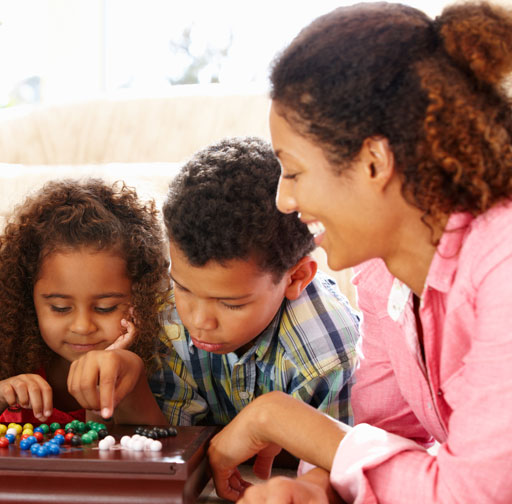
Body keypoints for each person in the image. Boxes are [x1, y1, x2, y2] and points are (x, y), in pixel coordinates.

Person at [207, 2, 512, 503]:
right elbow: (375, 434)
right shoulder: (387, 275)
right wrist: (312, 489)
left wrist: (278, 416)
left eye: (295, 171)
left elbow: (467, 496)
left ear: (374, 161)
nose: (284, 200)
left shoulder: (499, 269)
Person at [149, 137, 360, 435]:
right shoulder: (164, 316)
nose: (198, 321)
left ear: (296, 278)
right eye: (182, 289)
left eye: (231, 303)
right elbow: (173, 443)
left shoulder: (326, 353)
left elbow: (334, 461)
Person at [0, 178, 170, 428]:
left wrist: (116, 377)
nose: (82, 327)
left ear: (142, 296)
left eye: (106, 308)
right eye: (60, 308)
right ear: (28, 299)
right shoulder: (12, 354)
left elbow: (161, 447)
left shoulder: (157, 360)